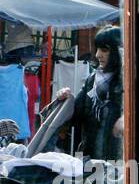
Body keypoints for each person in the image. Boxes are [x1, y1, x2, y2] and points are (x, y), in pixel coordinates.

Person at [52, 26, 125, 161]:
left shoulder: (130, 82)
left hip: (120, 164)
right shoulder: (92, 80)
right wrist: (65, 99)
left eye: (104, 50)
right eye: (97, 49)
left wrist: (128, 118)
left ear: (118, 51)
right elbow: (76, 113)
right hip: (90, 161)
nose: (98, 55)